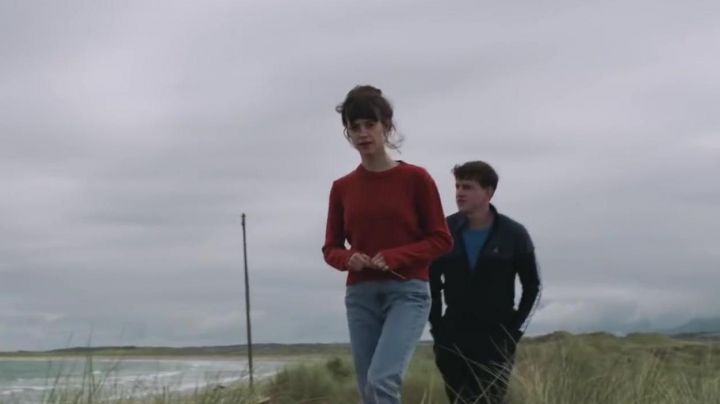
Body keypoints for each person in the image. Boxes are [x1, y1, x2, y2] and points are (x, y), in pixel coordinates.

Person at [322, 85, 453, 404]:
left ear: (387, 126)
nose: (363, 133)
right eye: (355, 127)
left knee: (381, 382)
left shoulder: (416, 179)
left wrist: (396, 256)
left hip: (407, 292)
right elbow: (331, 248)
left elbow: (441, 239)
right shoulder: (342, 188)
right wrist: (348, 258)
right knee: (368, 390)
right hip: (361, 296)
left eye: (370, 124)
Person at [429, 161, 541, 404]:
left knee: (489, 399)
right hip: (453, 336)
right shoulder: (444, 231)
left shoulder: (514, 234)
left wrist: (514, 331)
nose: (459, 192)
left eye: (468, 187)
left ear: (488, 192)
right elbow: (430, 284)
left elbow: (533, 287)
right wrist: (437, 328)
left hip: (497, 337)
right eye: (457, 186)